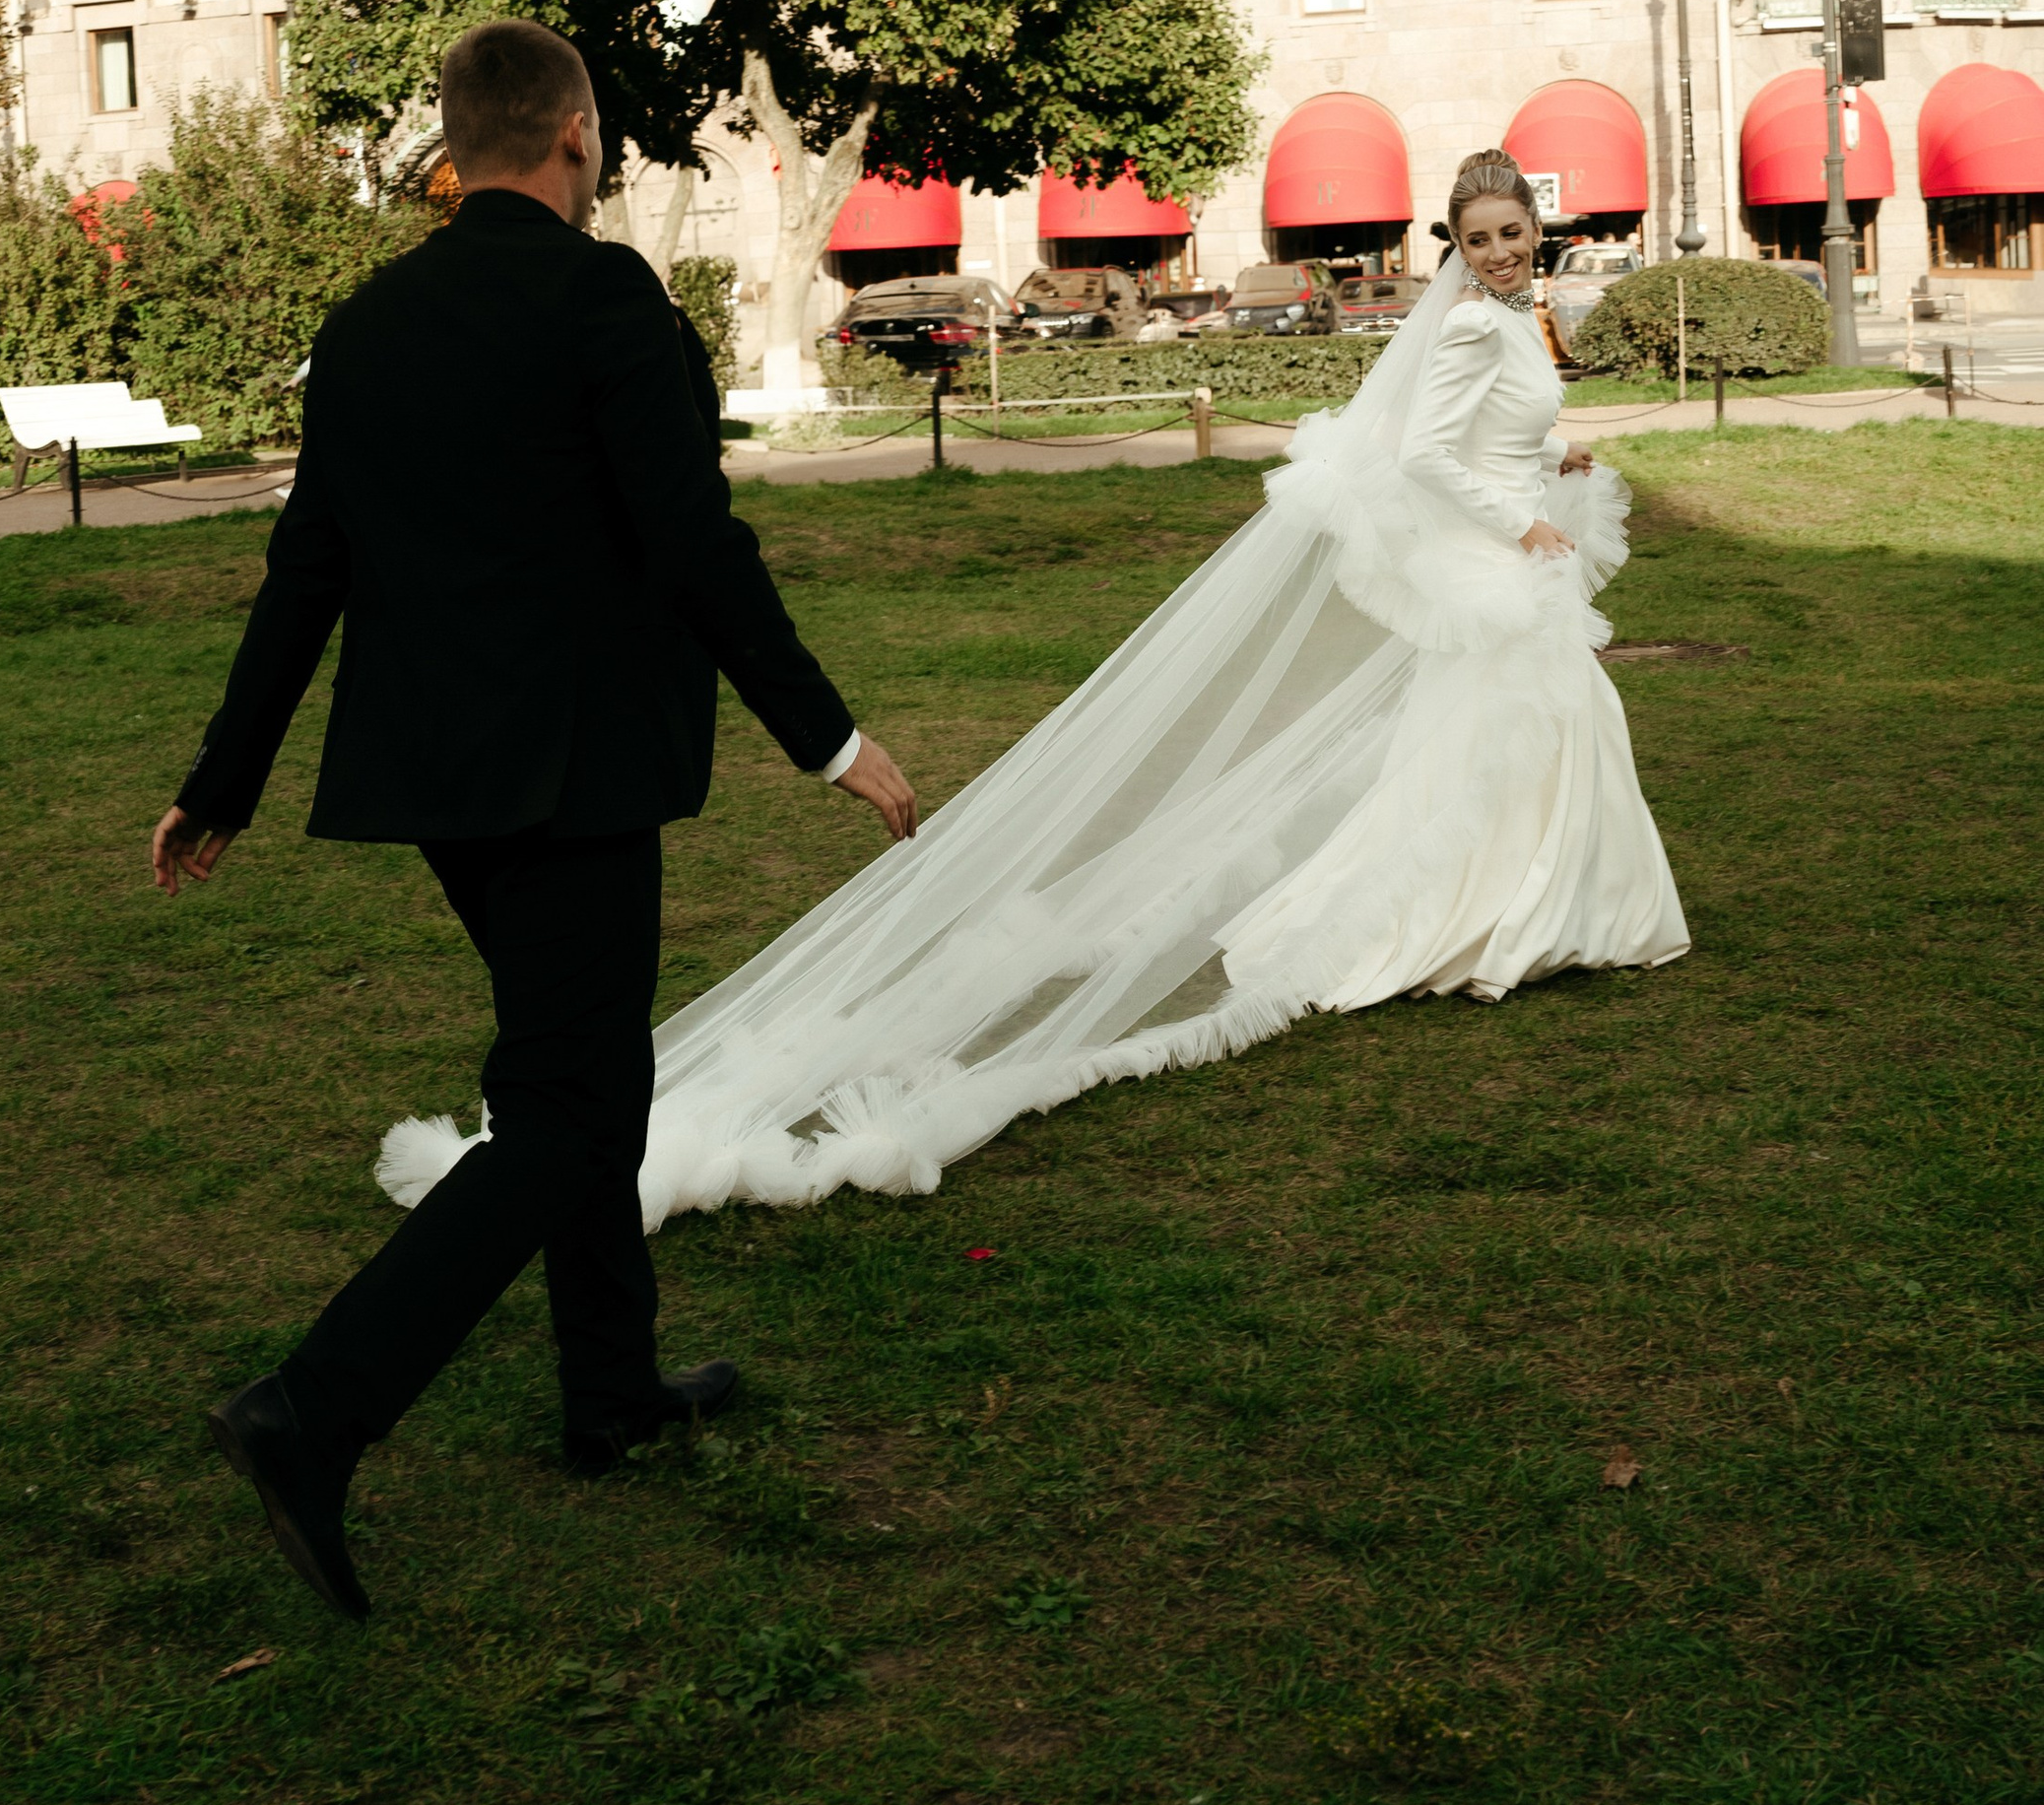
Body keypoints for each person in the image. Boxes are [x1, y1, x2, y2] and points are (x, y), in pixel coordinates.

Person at [382, 148, 1680, 1233]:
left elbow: (1491, 432)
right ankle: (1481, 918)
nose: (1503, 252)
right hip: (1501, 561)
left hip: (1516, 552)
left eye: (1515, 233)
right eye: (1482, 235)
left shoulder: (1510, 319)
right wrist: (1520, 526)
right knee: (1523, 729)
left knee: (1500, 741)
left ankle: (1514, 909)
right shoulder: (1464, 322)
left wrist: (1550, 456)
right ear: (1456, 241)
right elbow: (1433, 451)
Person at [154, 19, 916, 1624]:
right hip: (574, 778)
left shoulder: (367, 326)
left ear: (460, 140)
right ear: (573, 135)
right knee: (566, 1107)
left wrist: (222, 783)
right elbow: (696, 544)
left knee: (591, 1064)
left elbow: (310, 575)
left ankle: (612, 1393)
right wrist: (830, 737)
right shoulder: (606, 299)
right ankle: (314, 1408)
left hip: (444, 788)